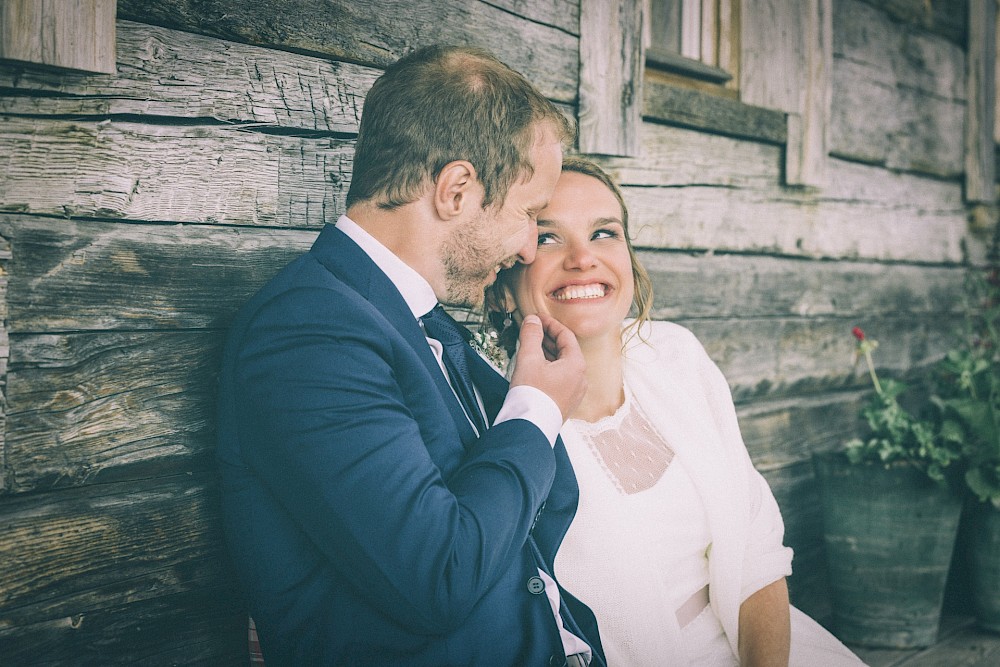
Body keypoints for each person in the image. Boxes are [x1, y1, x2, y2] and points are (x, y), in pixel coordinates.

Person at [216, 45, 606, 666]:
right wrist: (536, 408)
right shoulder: (307, 333)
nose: (530, 248)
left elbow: (534, 523)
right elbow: (438, 577)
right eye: (529, 214)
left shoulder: (416, 319)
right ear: (456, 190)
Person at [486, 156, 868, 666]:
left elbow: (757, 553)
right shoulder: (500, 422)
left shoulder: (675, 356)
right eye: (549, 238)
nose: (583, 258)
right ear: (504, 284)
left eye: (604, 232)